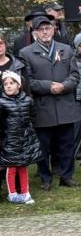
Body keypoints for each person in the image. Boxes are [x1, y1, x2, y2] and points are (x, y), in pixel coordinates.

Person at [19, 14, 81, 191]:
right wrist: (48, 86)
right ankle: (46, 178)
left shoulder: (66, 49)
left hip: (65, 104)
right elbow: (26, 81)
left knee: (67, 144)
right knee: (43, 147)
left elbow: (75, 75)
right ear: (35, 32)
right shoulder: (26, 53)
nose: (45, 32)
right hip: (43, 107)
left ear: (54, 29)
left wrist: (63, 86)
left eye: (48, 28)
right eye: (41, 29)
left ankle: (66, 176)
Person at [0, 71, 41, 204]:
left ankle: (25, 193)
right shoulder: (1, 102)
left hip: (24, 140)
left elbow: (32, 117)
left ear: (18, 85)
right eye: (5, 84)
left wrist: (30, 134)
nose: (8, 86)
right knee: (11, 168)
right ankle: (12, 194)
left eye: (11, 83)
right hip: (9, 141)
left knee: (23, 167)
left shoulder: (28, 100)